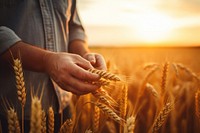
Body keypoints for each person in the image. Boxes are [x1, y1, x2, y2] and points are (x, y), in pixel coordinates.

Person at [0, 0, 106, 132]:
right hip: (13, 114)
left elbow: (74, 28)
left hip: (65, 107)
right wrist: (46, 61)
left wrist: (85, 55)